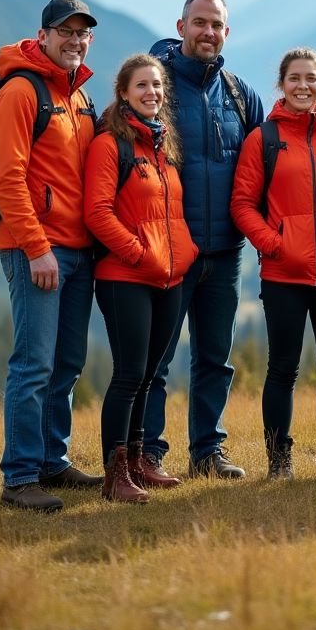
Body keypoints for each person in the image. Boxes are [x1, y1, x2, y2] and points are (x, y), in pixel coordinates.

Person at [230, 48, 316, 480]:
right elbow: (242, 204)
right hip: (283, 275)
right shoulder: (264, 138)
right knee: (282, 368)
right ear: (281, 84)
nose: (303, 86)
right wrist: (273, 244)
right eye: (295, 78)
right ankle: (279, 460)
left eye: (311, 78)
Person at [142, 0, 264, 480]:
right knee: (157, 360)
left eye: (216, 24)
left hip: (226, 251)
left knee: (216, 358)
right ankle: (146, 452)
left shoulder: (239, 94)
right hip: (170, 250)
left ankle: (207, 452)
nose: (207, 32)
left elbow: (267, 160)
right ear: (181, 25)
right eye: (199, 23)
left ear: (226, 32)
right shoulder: (154, 87)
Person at [0, 0, 101, 512]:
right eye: (66, 32)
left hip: (78, 252)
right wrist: (36, 248)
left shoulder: (78, 97)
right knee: (33, 364)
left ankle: (53, 461)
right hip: (38, 249)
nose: (75, 41)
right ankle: (20, 477)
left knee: (66, 364)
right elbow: (6, 179)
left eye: (83, 34)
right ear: (43, 34)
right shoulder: (21, 91)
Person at [84, 54, 199, 502]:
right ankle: (115, 479)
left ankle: (136, 464)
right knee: (129, 375)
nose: (152, 93)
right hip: (125, 277)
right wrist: (136, 252)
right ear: (124, 93)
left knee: (149, 375)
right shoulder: (110, 145)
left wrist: (180, 255)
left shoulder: (163, 146)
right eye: (142, 87)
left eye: (157, 86)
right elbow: (97, 212)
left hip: (169, 278)